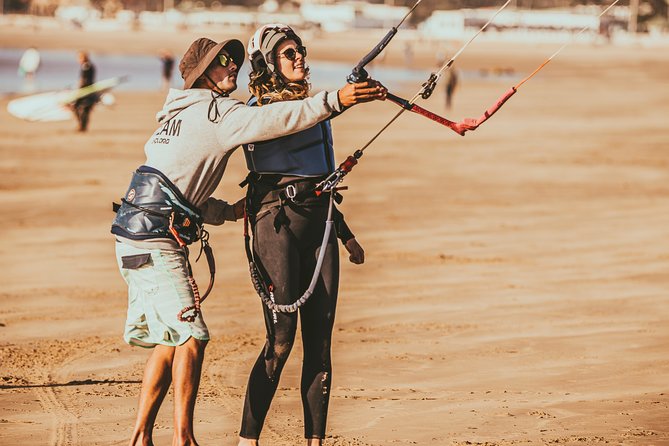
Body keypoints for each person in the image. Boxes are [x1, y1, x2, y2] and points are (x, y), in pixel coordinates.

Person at [110, 36, 385, 446]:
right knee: (191, 335)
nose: (231, 66)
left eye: (233, 59)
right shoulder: (219, 114)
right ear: (202, 75)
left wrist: (228, 211)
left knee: (169, 340)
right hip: (155, 240)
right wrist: (337, 100)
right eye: (221, 62)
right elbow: (275, 121)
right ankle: (183, 439)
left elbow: (177, 186)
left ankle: (140, 436)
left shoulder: (173, 119)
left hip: (134, 235)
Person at [238, 25, 385, 446]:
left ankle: (315, 441)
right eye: (289, 53)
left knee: (319, 346)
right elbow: (285, 122)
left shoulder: (313, 108)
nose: (300, 57)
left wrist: (345, 232)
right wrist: (338, 101)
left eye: (300, 50)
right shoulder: (256, 112)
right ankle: (247, 441)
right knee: (281, 341)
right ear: (268, 64)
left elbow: (322, 182)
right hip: (275, 227)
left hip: (319, 228)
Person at [73, 51, 98, 132]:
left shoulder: (86, 66)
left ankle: (82, 126)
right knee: (86, 109)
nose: (78, 60)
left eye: (79, 58)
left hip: (85, 91)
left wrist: (78, 89)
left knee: (79, 107)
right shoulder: (90, 65)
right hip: (90, 90)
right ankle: (82, 126)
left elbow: (83, 80)